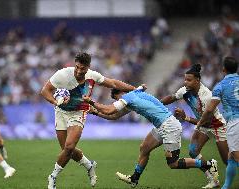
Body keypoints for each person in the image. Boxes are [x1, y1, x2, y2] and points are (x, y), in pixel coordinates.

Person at [83, 87, 219, 188]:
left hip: (170, 126)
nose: (118, 102)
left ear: (121, 94)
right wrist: (95, 113)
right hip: (162, 125)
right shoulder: (136, 94)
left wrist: (92, 102)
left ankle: (208, 164)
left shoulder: (128, 97)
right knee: (144, 148)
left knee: (173, 163)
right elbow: (114, 116)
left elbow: (110, 110)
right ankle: (134, 178)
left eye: (117, 99)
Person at [40, 52, 136, 189]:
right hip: (61, 112)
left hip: (79, 112)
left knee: (69, 147)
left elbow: (113, 83)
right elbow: (45, 91)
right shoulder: (62, 74)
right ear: (75, 64)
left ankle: (53, 177)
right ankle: (89, 165)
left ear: (88, 67)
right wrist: (55, 102)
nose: (79, 71)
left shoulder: (93, 76)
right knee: (67, 150)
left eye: (83, 69)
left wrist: (134, 89)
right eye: (77, 67)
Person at [161, 64, 228, 188]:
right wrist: (157, 103)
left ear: (197, 80)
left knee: (228, 160)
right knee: (193, 151)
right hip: (203, 124)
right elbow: (171, 97)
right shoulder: (185, 90)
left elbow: (206, 122)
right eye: (185, 79)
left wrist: (185, 117)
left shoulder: (206, 96)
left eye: (189, 80)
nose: (185, 82)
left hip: (217, 125)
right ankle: (213, 179)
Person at [197, 57, 239, 189]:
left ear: (223, 69)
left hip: (235, 122)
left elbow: (209, 109)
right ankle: (226, 186)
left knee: (236, 156)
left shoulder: (220, 86)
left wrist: (200, 122)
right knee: (231, 156)